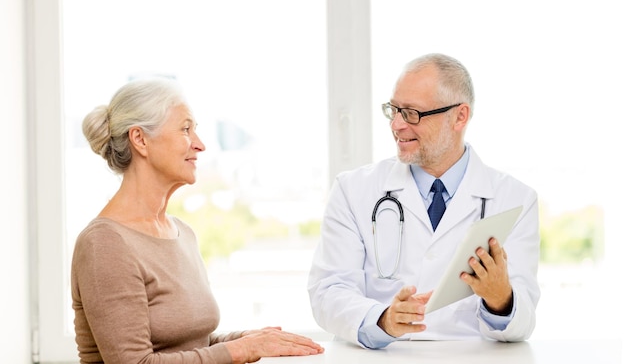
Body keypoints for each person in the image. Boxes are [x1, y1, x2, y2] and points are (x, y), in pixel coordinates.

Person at [71, 77, 324, 364]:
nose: (200, 145)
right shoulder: (105, 244)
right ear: (140, 139)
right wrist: (240, 350)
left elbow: (191, 346)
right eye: (185, 129)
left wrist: (248, 340)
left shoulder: (182, 233)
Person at [307, 53, 540, 349]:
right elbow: (328, 291)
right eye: (394, 110)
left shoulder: (515, 199)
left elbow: (524, 319)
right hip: (383, 355)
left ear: (460, 116)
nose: (397, 126)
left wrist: (500, 297)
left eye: (412, 113)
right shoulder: (353, 190)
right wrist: (382, 320)